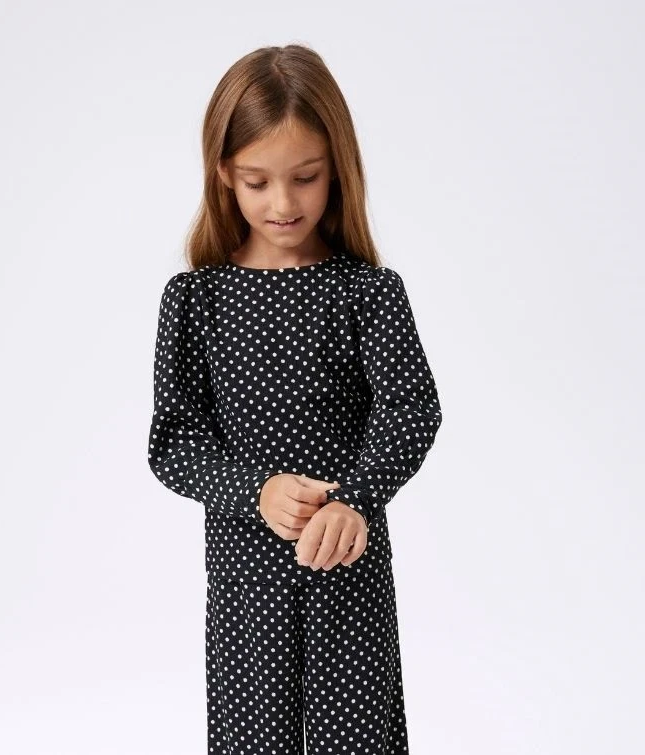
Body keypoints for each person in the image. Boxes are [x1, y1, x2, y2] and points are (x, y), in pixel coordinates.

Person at [146, 43, 443, 755]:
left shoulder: (367, 292)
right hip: (246, 577)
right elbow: (174, 442)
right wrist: (256, 490)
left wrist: (356, 499)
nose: (283, 204)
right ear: (223, 173)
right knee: (251, 740)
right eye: (258, 181)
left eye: (305, 178)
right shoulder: (196, 300)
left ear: (337, 168)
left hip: (348, 564)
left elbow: (411, 407)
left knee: (360, 738)